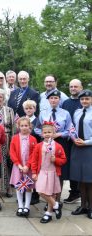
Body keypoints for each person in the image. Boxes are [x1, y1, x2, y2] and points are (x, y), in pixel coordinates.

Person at [34, 90, 72, 204]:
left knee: (58, 172)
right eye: (51, 98)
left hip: (60, 143)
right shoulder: (43, 113)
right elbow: (36, 128)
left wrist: (59, 134)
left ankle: (57, 200)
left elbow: (70, 129)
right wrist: (44, 135)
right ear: (48, 100)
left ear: (59, 100)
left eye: (56, 98)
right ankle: (49, 201)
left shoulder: (65, 113)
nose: (54, 100)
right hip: (45, 144)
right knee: (46, 170)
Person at [30, 121, 67, 223]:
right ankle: (56, 205)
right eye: (45, 132)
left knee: (52, 193)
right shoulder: (38, 146)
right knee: (40, 191)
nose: (47, 134)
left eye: (49, 132)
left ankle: (49, 213)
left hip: (53, 172)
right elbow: (34, 159)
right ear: (42, 134)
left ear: (53, 133)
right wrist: (33, 172)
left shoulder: (58, 146)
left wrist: (56, 160)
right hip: (42, 171)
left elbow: (63, 160)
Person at [70, 90, 92, 219]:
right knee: (81, 180)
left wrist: (86, 142)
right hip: (78, 147)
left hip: (89, 148)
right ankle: (83, 206)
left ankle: (91, 208)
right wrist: (74, 139)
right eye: (82, 99)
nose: (84, 101)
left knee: (90, 180)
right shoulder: (77, 112)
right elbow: (72, 129)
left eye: (87, 99)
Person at [9, 117, 37, 217]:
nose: (24, 128)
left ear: (30, 126)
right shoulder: (15, 138)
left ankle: (27, 206)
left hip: (28, 168)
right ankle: (20, 206)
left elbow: (34, 154)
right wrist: (19, 165)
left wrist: (27, 165)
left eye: (26, 125)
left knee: (28, 186)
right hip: (18, 167)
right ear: (18, 127)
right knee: (19, 186)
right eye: (22, 126)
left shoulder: (33, 139)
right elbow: (12, 152)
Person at [61, 79, 83, 204]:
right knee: (70, 166)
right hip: (67, 140)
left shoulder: (84, 102)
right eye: (71, 86)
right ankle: (74, 191)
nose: (73, 88)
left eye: (76, 86)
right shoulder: (66, 103)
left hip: (82, 140)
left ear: (81, 87)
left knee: (80, 167)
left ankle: (80, 192)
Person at [0, 89, 15, 197]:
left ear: (3, 99)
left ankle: (8, 188)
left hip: (7, 138)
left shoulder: (9, 110)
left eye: (0, 97)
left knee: (7, 163)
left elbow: (13, 127)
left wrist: (13, 142)